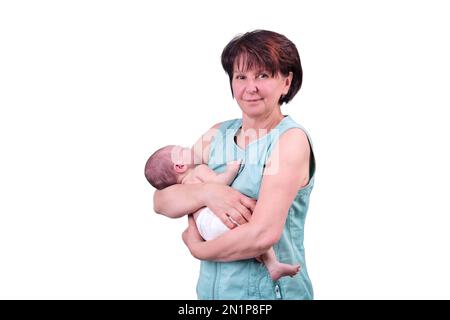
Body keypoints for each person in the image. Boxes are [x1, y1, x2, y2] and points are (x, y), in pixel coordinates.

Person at [153, 30, 315, 300]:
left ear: (287, 82)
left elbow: (262, 235)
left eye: (263, 75)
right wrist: (208, 193)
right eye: (241, 77)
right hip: (212, 295)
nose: (250, 87)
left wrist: (198, 249)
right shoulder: (218, 134)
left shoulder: (290, 140)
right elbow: (161, 199)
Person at [144, 145, 301, 281]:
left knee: (190, 234)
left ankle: (261, 258)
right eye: (182, 150)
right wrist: (231, 170)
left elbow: (165, 198)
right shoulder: (200, 169)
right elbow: (219, 183)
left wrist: (196, 246)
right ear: (179, 166)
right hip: (219, 219)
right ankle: (272, 264)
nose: (188, 147)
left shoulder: (183, 187)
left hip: (204, 229)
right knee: (251, 218)